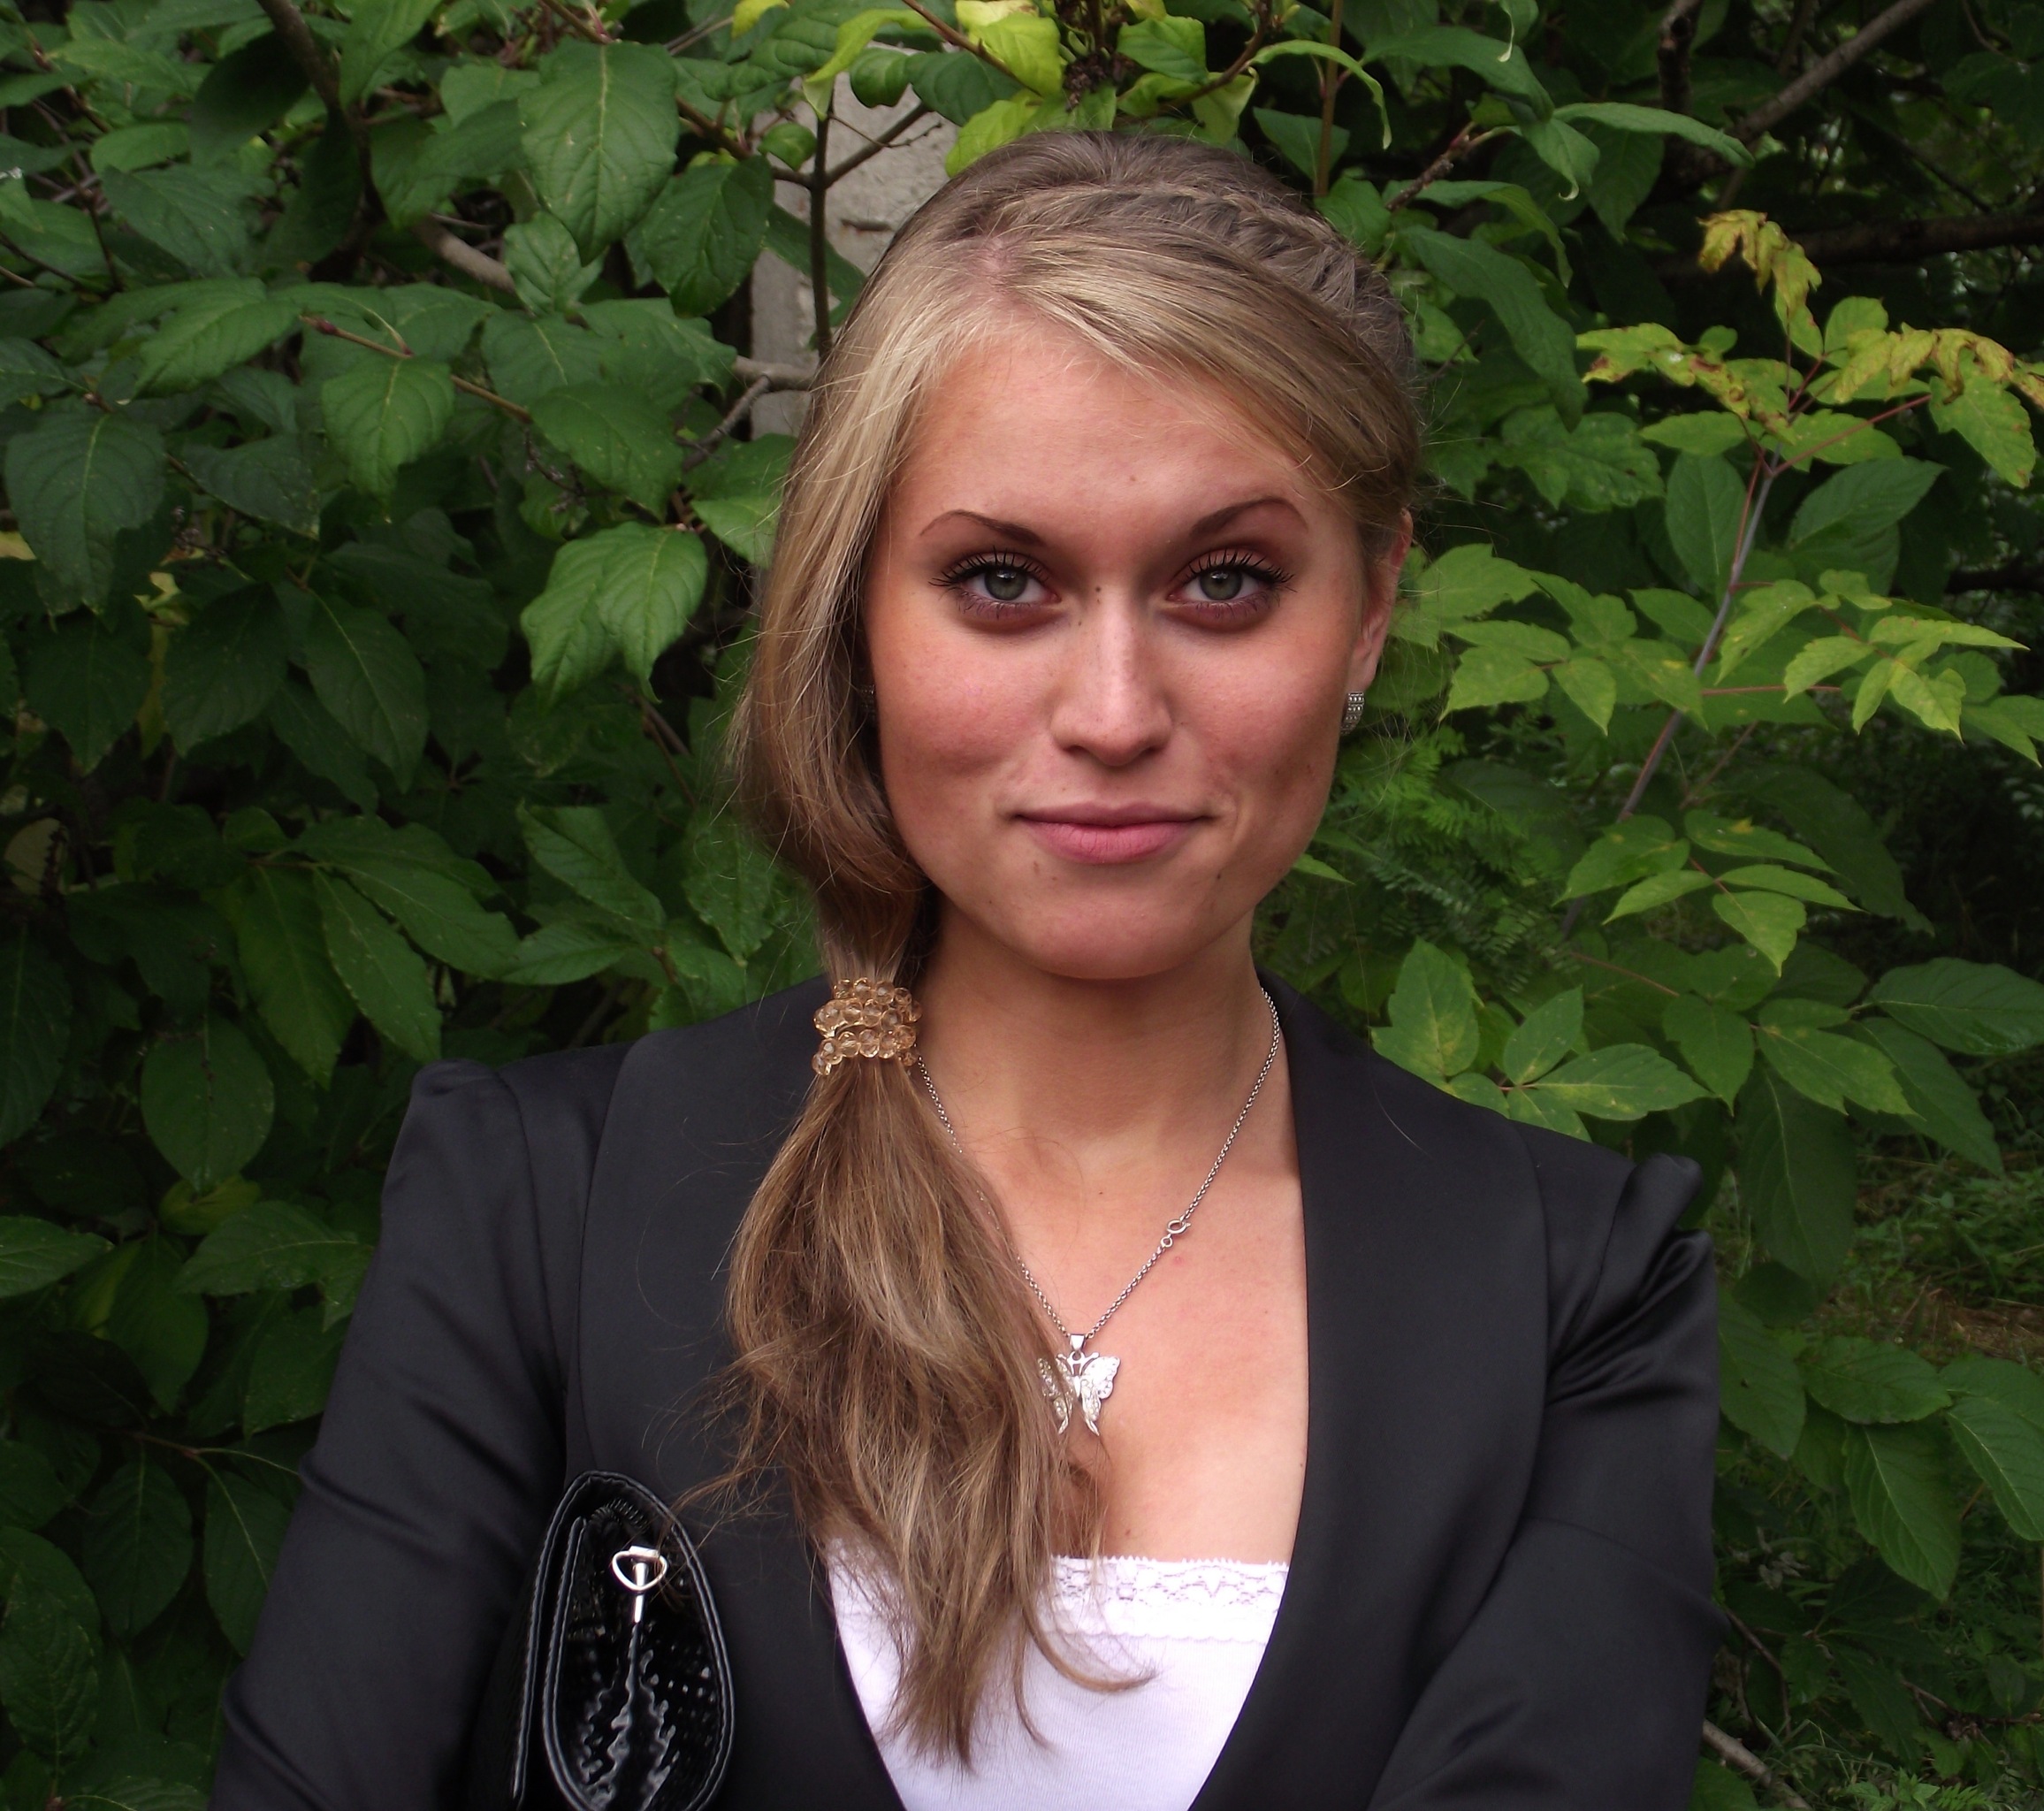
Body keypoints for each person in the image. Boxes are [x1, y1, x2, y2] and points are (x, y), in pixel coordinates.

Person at [210, 131, 1721, 1811]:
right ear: (855, 609)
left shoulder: (1576, 1287)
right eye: (1002, 582)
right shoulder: (539, 1207)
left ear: (1367, 611)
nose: (1114, 713)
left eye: (1227, 582)